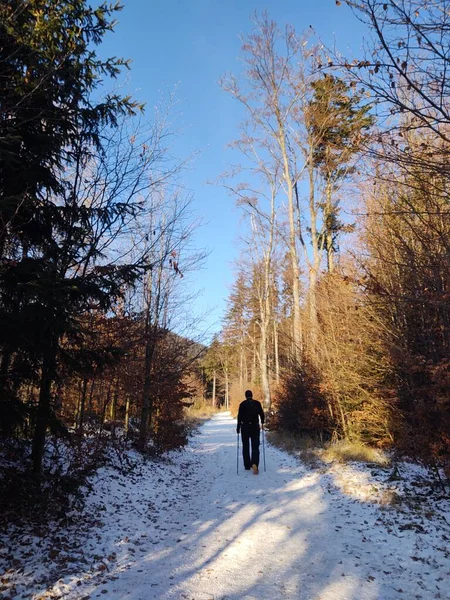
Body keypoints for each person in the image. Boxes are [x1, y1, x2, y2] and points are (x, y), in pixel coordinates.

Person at [236, 390, 265, 474]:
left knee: (245, 446)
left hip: (245, 427)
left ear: (245, 396)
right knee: (255, 446)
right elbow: (261, 414)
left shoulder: (242, 404)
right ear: (252, 395)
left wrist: (238, 427)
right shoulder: (257, 403)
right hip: (255, 426)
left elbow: (239, 417)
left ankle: (247, 465)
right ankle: (255, 463)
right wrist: (262, 422)